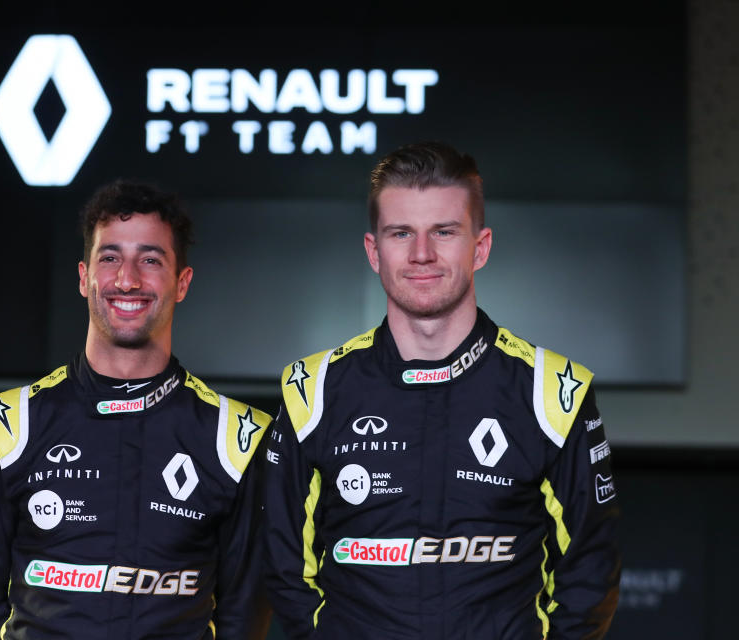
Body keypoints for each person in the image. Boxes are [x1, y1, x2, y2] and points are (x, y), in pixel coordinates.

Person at [263, 142, 620, 639]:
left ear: (481, 246)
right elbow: (283, 568)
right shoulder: (313, 390)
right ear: (373, 251)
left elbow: (590, 572)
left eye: (444, 232)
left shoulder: (554, 391)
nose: (422, 254)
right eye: (401, 232)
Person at [0, 180, 273, 640]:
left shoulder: (236, 439)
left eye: (150, 259)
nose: (128, 279)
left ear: (181, 282)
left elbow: (245, 620)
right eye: (110, 257)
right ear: (84, 277)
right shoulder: (7, 425)